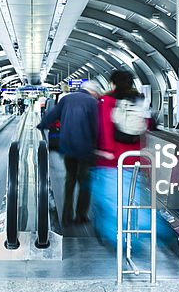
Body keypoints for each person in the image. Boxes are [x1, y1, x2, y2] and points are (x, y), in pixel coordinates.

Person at [91, 70, 157, 246]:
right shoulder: (140, 99)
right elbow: (148, 125)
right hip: (136, 155)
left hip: (113, 159)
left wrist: (106, 150)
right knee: (133, 195)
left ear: (113, 83)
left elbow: (104, 126)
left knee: (111, 197)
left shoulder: (107, 100)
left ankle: (117, 236)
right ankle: (137, 231)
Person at [37, 80, 101, 223]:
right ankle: (81, 215)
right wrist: (97, 146)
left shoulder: (67, 99)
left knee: (70, 179)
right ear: (93, 92)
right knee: (85, 181)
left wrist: (41, 126)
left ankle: (66, 215)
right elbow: (96, 126)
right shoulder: (92, 103)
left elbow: (52, 115)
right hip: (85, 148)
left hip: (67, 146)